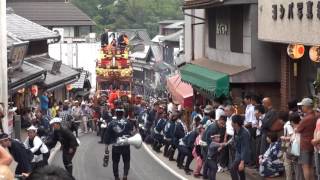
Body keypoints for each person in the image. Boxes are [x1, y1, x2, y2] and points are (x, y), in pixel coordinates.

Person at [103, 107, 134, 180]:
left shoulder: (112, 123)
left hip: (116, 146)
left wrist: (106, 147)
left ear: (116, 114)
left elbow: (107, 136)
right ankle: (125, 175)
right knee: (126, 161)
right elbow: (131, 132)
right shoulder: (128, 121)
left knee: (115, 162)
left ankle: (116, 177)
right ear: (123, 113)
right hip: (126, 145)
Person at [296, 98, 316, 180]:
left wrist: (296, 127)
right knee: (311, 166)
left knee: (305, 166)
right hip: (312, 143)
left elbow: (298, 129)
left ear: (306, 106)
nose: (301, 108)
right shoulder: (315, 116)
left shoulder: (306, 118)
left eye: (302, 106)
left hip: (305, 144)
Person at [201, 114, 226, 179]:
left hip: (208, 145)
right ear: (219, 120)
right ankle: (208, 176)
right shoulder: (213, 127)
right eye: (221, 123)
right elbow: (208, 140)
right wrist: (214, 149)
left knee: (207, 163)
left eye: (223, 124)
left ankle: (205, 176)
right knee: (212, 165)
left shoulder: (218, 126)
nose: (222, 125)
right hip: (206, 146)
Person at [230, 115, 250, 180]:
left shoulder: (245, 133)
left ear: (236, 123)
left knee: (232, 169)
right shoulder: (236, 129)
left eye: (232, 121)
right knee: (240, 170)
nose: (231, 123)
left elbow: (245, 148)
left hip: (244, 154)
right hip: (238, 152)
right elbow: (234, 138)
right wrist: (226, 143)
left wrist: (242, 162)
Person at [280, 110, 294, 180]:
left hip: (289, 146)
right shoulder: (289, 124)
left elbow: (292, 136)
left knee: (287, 163)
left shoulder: (287, 125)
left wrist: (284, 138)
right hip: (288, 146)